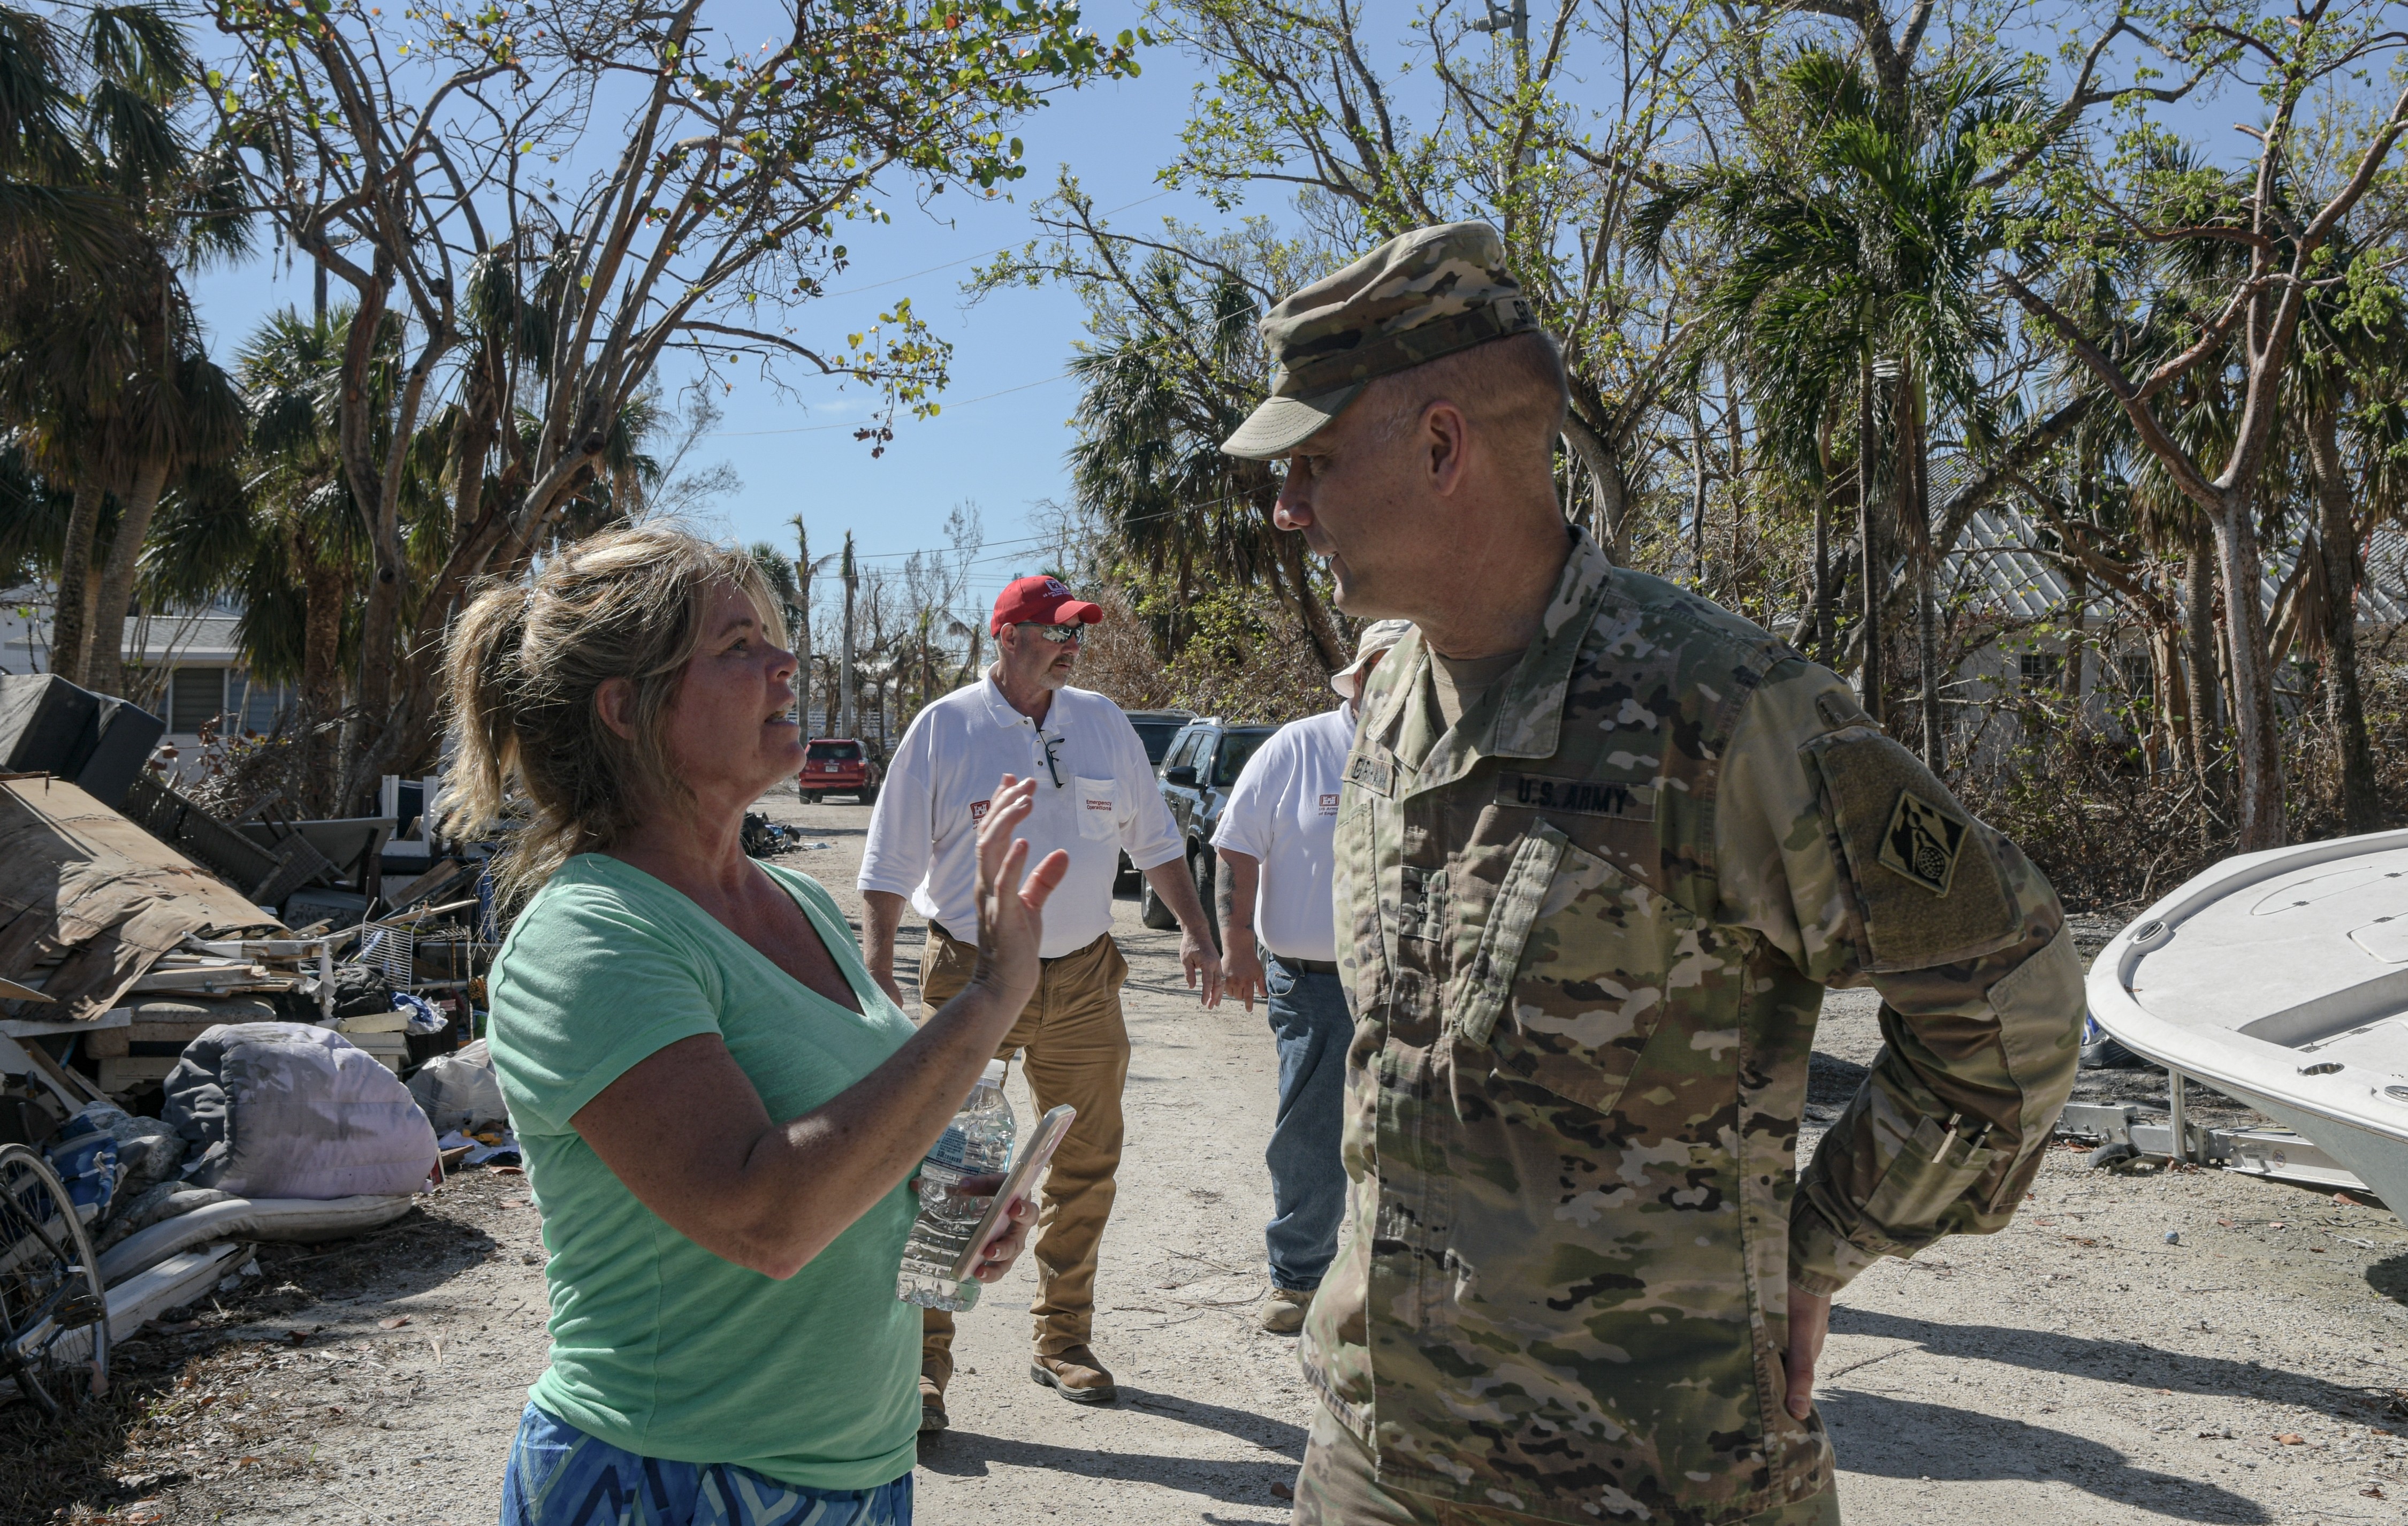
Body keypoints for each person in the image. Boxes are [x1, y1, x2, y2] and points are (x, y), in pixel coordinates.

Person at [1221, 223, 2084, 1525]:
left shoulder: (1723, 713)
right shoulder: (1391, 691)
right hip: (1379, 1455)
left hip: (1645, 1477)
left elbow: (2008, 994)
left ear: (1444, 446)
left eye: (1318, 462)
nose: (1287, 508)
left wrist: (1820, 1247)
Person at [445, 525, 1057, 1526]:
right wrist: (991, 994)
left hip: (859, 1474)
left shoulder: (796, 903)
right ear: (626, 711)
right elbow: (765, 1220)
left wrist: (949, 1217)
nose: (786, 666)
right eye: (738, 648)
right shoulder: (592, 936)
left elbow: (865, 1142)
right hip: (669, 1481)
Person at [859, 574, 1225, 1431]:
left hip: (1084, 976)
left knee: (1086, 1160)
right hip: (970, 973)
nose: (1073, 647)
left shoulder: (1099, 722)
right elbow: (883, 872)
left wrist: (1198, 933)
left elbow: (1157, 840)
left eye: (1078, 635)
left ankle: (1064, 1338)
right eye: (1058, 632)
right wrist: (876, 982)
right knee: (950, 1166)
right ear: (1007, 637)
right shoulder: (945, 728)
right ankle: (925, 1362)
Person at [1212, 617, 1410, 1333]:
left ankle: (1392, 1280)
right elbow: (1236, 846)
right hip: (1315, 980)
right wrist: (1234, 940)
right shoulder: (1299, 748)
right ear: (1355, 680)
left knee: (1410, 1130)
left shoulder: (1445, 750)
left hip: (1413, 981)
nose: (1393, 685)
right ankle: (1297, 1279)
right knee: (1312, 1129)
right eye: (1379, 671)